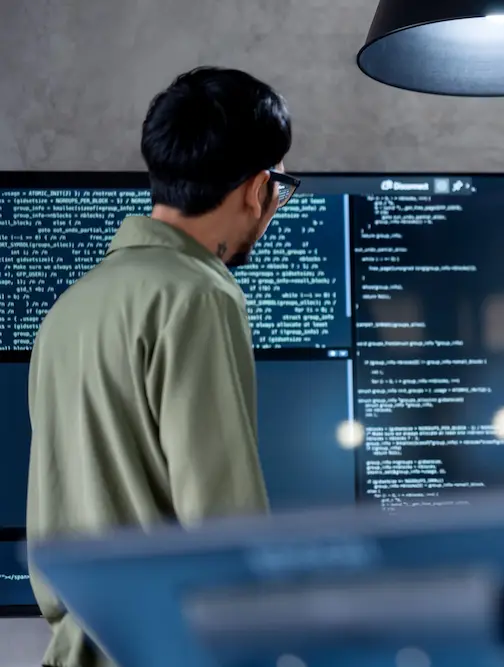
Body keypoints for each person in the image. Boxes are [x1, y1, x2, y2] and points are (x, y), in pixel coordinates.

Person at [26, 67, 298, 667]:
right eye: (280, 188)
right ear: (258, 188)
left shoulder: (69, 309)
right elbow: (225, 531)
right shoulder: (200, 294)